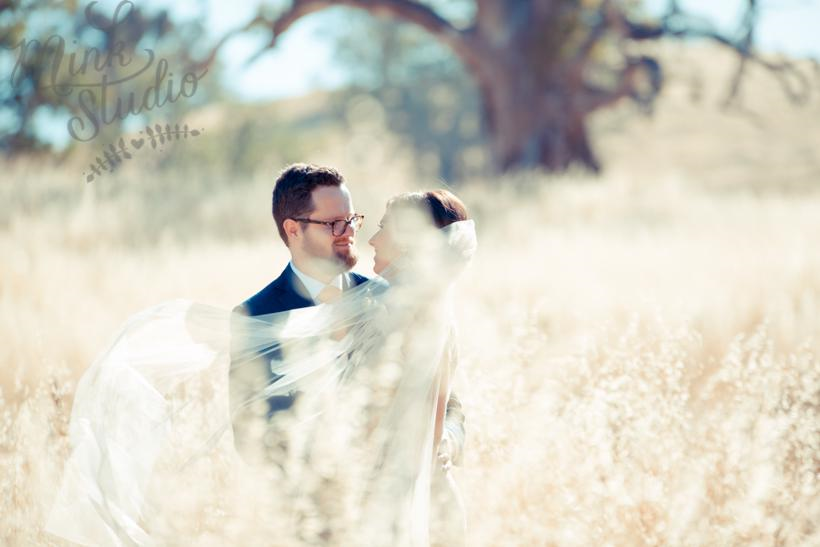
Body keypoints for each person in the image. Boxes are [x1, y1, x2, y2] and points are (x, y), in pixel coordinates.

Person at [45, 167, 477, 547]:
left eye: (352, 219)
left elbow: (446, 400)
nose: (350, 232)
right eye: (333, 223)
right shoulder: (257, 316)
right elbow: (252, 436)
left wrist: (447, 441)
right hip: (316, 523)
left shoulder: (389, 298)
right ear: (294, 229)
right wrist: (329, 482)